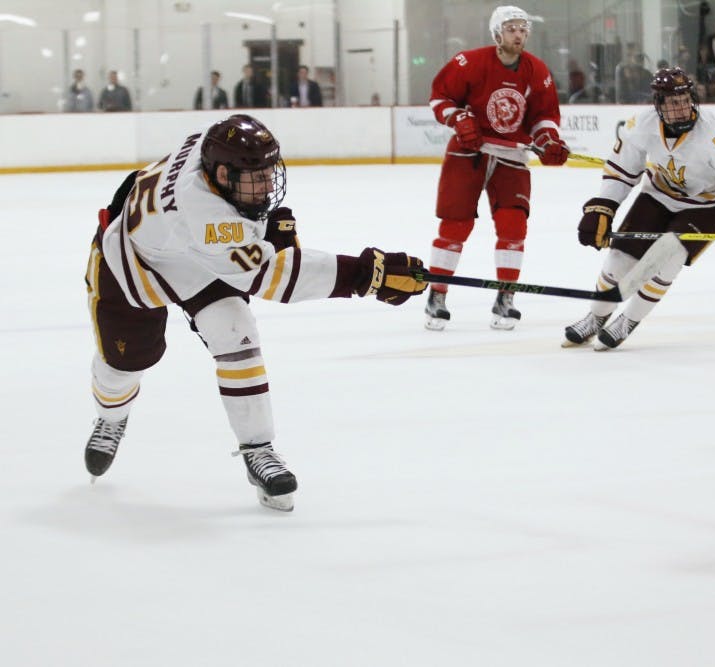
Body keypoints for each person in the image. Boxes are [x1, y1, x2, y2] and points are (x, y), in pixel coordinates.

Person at [83, 114, 426, 511]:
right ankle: (110, 418)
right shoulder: (207, 218)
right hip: (133, 265)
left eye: (268, 172)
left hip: (189, 252)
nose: (267, 184)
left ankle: (257, 449)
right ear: (224, 173)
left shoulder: (208, 151)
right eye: (256, 177)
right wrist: (369, 274)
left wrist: (263, 231)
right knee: (124, 363)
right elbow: (274, 278)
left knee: (235, 332)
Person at [563, 67, 715, 350]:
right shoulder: (641, 126)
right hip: (658, 194)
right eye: (673, 102)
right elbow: (622, 170)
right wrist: (603, 208)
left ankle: (629, 320)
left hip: (707, 206)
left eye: (685, 99)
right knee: (620, 257)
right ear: (658, 104)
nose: (682, 107)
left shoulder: (714, 133)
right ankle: (596, 317)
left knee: (669, 255)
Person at [423, 5, 568, 331]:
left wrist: (547, 139)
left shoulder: (537, 70)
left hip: (511, 157)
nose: (519, 33)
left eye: (522, 28)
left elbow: (544, 116)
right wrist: (459, 118)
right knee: (455, 227)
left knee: (513, 227)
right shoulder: (470, 62)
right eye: (512, 27)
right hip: (468, 152)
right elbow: (439, 98)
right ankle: (437, 294)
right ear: (497, 33)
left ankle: (506, 297)